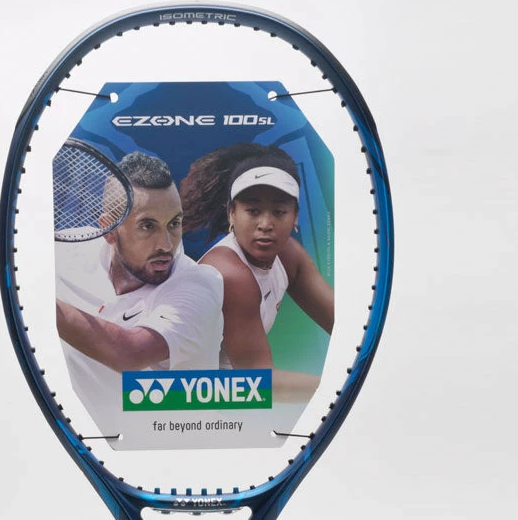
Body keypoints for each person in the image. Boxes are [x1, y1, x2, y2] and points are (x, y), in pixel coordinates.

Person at [55, 151, 223, 432]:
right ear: (109, 230)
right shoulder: (65, 253)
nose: (166, 244)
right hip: (88, 442)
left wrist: (38, 304)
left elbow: (128, 353)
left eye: (174, 224)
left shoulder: (200, 285)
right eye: (147, 226)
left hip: (181, 447)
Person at [180, 143, 334, 402]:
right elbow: (260, 384)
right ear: (231, 213)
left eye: (279, 212)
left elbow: (346, 326)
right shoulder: (228, 274)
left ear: (295, 216)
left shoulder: (288, 255)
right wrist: (347, 383)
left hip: (223, 402)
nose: (265, 224)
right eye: (252, 211)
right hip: (173, 403)